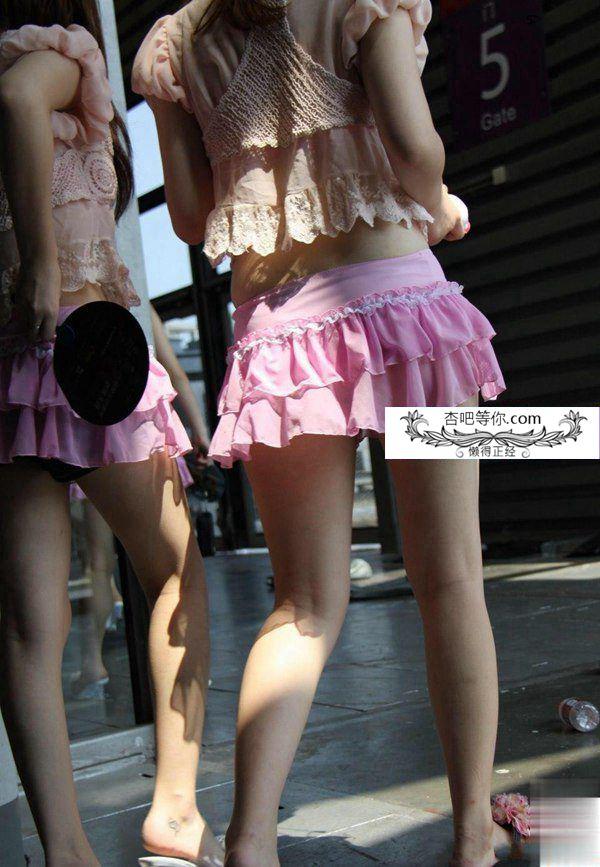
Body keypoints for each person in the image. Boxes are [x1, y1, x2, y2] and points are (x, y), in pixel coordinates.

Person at [133, 2, 530, 866]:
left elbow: (193, 216)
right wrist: (438, 203)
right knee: (452, 578)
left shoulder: (175, 42)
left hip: (279, 333)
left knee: (305, 604)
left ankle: (250, 839)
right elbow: (416, 152)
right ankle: (472, 836)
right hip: (401, 300)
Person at [0, 2, 223, 865]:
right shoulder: (58, 53)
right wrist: (44, 264)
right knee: (174, 572)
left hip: (15, 371)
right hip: (87, 358)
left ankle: (66, 848)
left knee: (30, 622)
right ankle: (175, 810)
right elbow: (22, 94)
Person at [69, 307, 212, 700]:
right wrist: (201, 435)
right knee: (172, 573)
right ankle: (185, 664)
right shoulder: (133, 301)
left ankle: (93, 662)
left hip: (76, 431)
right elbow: (176, 373)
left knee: (98, 565)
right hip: (129, 434)